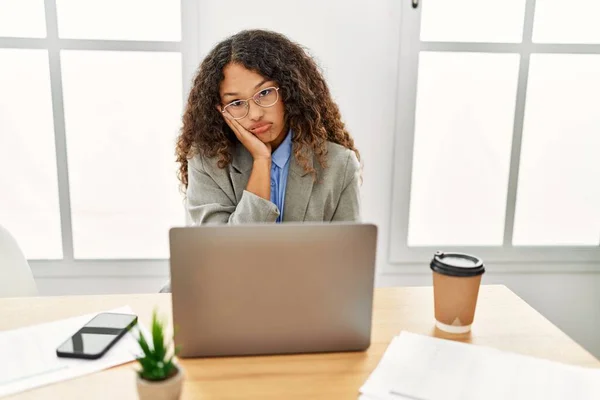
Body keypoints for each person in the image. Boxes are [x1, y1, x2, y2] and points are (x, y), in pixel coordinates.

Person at [175, 29, 362, 225]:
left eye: (264, 93)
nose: (255, 114)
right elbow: (226, 251)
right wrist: (261, 161)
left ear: (290, 91)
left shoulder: (340, 164)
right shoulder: (206, 162)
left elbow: (348, 252)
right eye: (236, 103)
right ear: (221, 111)